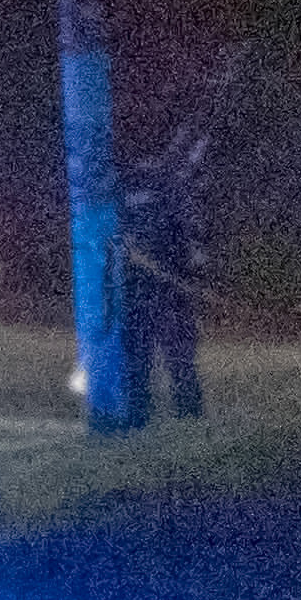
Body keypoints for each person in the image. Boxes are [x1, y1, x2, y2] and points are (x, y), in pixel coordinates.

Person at [124, 124, 211, 423]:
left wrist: (194, 266)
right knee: (139, 359)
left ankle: (188, 415)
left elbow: (190, 233)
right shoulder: (127, 185)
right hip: (138, 288)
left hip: (170, 288)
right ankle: (139, 417)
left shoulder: (168, 185)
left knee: (178, 358)